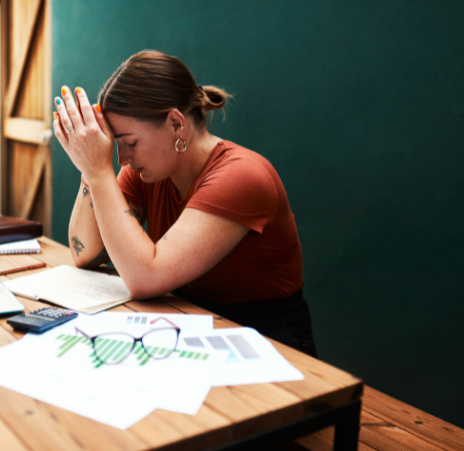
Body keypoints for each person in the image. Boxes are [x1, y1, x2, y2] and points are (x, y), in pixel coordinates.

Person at [52, 50, 317, 357]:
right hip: (187, 322)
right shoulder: (149, 171)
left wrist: (99, 172)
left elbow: (145, 277)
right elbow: (85, 253)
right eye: (115, 145)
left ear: (176, 124)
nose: (122, 159)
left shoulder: (243, 176)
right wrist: (89, 169)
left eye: (130, 142)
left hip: (267, 343)